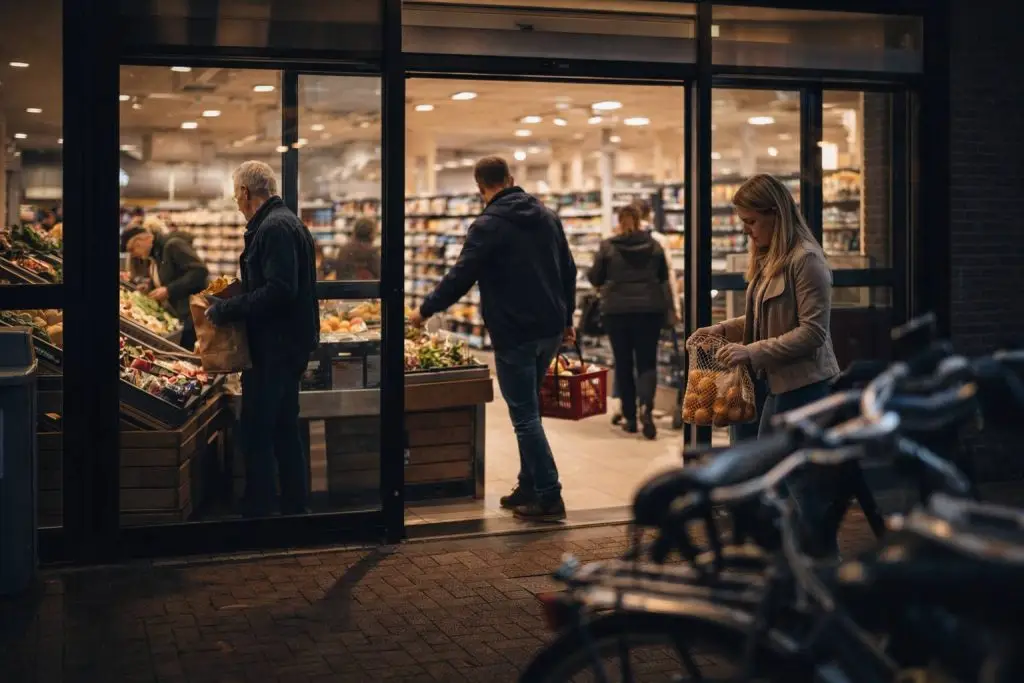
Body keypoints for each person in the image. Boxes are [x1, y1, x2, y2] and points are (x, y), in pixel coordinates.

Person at [408, 156, 576, 522]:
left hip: (515, 330)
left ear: (479, 186)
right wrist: (568, 318)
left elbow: (461, 275)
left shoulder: (488, 224)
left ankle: (549, 494)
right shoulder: (547, 216)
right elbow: (569, 269)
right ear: (511, 179)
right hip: (549, 328)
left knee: (524, 417)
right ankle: (529, 485)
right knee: (529, 410)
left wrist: (424, 310)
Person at [206, 161, 320, 517]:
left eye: (236, 194)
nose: (236, 202)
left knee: (257, 430)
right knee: (285, 428)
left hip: (275, 348)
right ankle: (293, 508)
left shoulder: (274, 228)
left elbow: (280, 290)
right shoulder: (284, 221)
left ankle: (261, 511)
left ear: (244, 192)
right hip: (286, 344)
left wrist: (228, 309)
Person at [698, 173, 839, 439]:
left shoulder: (806, 260)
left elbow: (813, 333)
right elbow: (765, 317)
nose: (745, 230)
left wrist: (750, 352)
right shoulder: (772, 258)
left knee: (784, 473)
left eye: (751, 221)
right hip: (772, 383)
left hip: (803, 387)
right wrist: (721, 330)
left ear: (776, 215)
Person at [588, 204, 669, 440]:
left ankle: (631, 418)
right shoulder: (654, 245)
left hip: (617, 311)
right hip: (649, 311)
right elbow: (662, 277)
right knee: (647, 363)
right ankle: (647, 408)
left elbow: (595, 277)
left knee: (623, 363)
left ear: (619, 221)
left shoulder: (608, 246)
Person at [120, 218, 209, 351]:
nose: (134, 255)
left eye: (132, 250)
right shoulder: (156, 254)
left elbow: (199, 271)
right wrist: (150, 286)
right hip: (182, 317)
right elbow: (169, 275)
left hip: (194, 316)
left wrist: (168, 290)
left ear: (140, 241)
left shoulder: (173, 245)